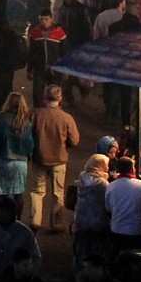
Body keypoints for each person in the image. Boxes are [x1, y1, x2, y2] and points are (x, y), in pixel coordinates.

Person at [31, 84, 81, 234]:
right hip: (59, 160)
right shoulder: (66, 118)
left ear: (45, 97)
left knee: (37, 191)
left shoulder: (36, 114)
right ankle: (57, 224)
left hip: (39, 158)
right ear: (60, 99)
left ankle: (34, 221)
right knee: (57, 193)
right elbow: (75, 140)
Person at [0, 91, 34, 205]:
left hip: (4, 159)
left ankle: (2, 219)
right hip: (21, 162)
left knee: (3, 193)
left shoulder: (1, 118)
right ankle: (17, 220)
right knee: (18, 194)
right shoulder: (27, 122)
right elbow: (30, 142)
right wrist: (29, 156)